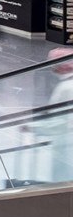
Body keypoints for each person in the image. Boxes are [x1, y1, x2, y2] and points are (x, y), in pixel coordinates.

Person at [30, 51, 73, 184]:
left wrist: (33, 127)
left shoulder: (66, 88)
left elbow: (61, 122)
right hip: (65, 144)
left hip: (66, 147)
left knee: (62, 182)